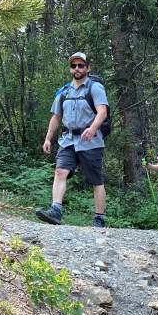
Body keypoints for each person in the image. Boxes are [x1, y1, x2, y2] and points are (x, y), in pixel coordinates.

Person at [36, 51, 109, 228]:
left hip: (90, 141)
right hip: (67, 140)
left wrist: (92, 128)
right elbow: (56, 117)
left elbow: (102, 112)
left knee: (95, 180)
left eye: (80, 65)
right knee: (60, 171)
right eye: (73, 66)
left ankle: (99, 218)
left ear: (87, 68)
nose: (77, 68)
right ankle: (55, 210)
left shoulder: (95, 88)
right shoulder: (64, 91)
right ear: (70, 69)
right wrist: (48, 139)